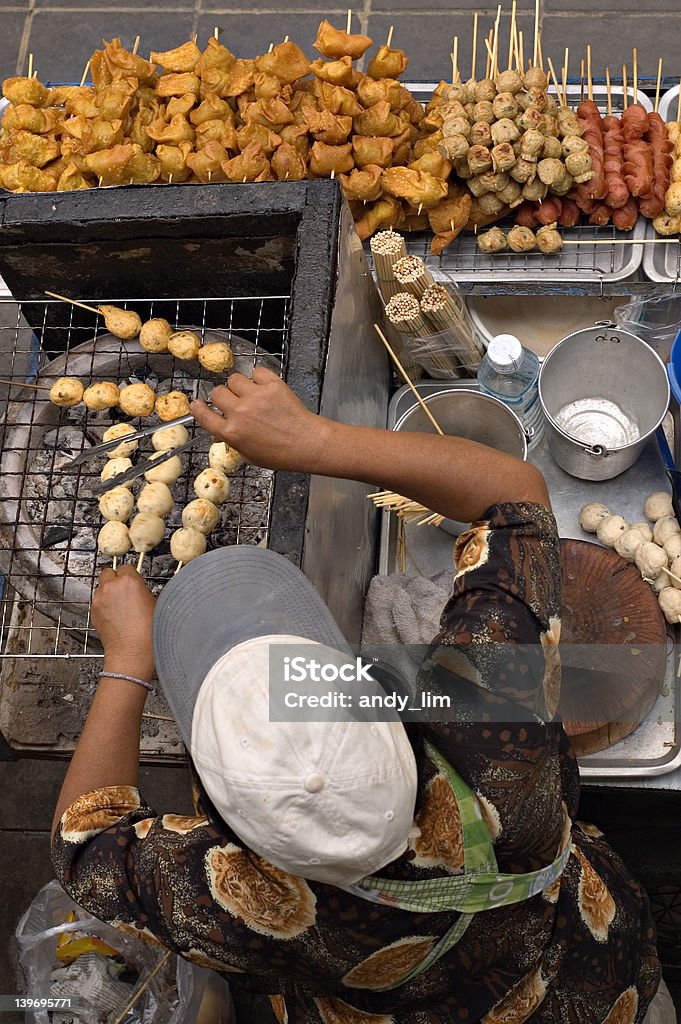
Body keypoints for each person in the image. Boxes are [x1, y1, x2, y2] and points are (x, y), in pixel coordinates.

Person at [52, 368, 674, 1024]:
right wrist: (308, 440)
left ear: (225, 828)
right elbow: (514, 496)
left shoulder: (236, 900)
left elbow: (79, 847)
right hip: (592, 981)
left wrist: (126, 661)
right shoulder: (488, 736)